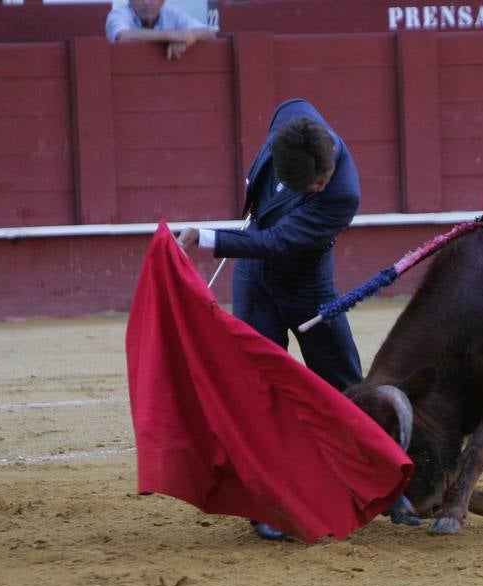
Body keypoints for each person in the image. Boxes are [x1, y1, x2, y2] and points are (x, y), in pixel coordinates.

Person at [177, 98, 416, 541]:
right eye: (313, 185)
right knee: (259, 387)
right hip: (253, 279)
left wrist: (205, 236)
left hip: (306, 287)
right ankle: (270, 501)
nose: (321, 188)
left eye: (321, 181)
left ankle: (390, 484)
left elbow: (277, 241)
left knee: (344, 381)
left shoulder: (341, 192)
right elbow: (262, 221)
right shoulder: (289, 120)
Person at [106, 0, 215, 60]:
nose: (146, 2)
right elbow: (123, 36)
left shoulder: (170, 12)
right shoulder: (119, 13)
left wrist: (191, 36)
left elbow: (209, 32)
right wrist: (171, 36)